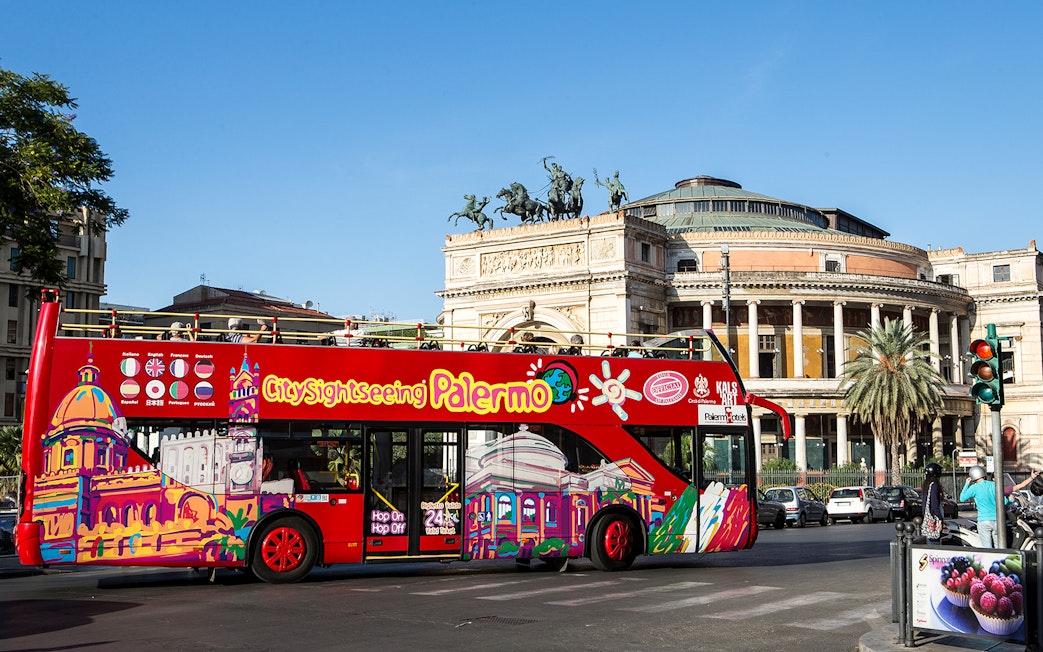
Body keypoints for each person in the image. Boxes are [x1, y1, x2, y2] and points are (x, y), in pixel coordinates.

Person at [959, 465, 1005, 547]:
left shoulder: (974, 487)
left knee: (987, 547)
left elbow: (962, 498)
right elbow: (1004, 501)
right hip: (998, 520)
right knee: (999, 546)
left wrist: (966, 484)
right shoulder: (993, 485)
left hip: (983, 520)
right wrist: (1011, 499)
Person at [921, 462, 945, 544]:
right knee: (935, 543)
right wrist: (940, 518)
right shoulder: (934, 485)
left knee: (930, 541)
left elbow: (924, 504)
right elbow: (935, 504)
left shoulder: (926, 485)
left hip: (928, 518)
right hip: (934, 519)